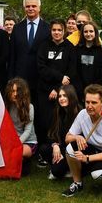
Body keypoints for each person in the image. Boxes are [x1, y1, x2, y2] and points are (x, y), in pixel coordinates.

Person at [8, 0, 50, 141]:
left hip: (41, 80)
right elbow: (12, 56)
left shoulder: (48, 28)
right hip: (20, 80)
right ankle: (20, 141)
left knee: (39, 113)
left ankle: (38, 144)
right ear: (24, 8)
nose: (30, 8)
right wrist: (12, 80)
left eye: (33, 6)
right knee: (21, 113)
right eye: (28, 6)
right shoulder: (17, 28)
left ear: (39, 7)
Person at [36, 18, 76, 165]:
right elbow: (41, 68)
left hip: (61, 92)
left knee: (60, 122)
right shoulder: (44, 46)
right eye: (54, 30)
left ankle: (61, 152)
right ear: (50, 31)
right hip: (44, 91)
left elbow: (71, 71)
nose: (57, 32)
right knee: (45, 122)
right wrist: (57, 79)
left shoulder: (70, 47)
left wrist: (57, 88)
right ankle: (44, 154)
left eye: (59, 30)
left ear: (64, 31)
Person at [39, 85, 81, 179]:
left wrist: (64, 153)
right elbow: (50, 134)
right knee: (43, 148)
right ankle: (61, 165)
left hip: (73, 150)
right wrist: (55, 145)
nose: (62, 99)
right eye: (60, 96)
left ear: (71, 96)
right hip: (60, 148)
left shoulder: (80, 113)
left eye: (65, 96)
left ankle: (68, 168)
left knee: (56, 172)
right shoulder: (57, 112)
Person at [5, 78, 38, 175]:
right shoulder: (8, 106)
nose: (15, 94)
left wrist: (16, 144)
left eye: (17, 91)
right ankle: (20, 161)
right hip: (13, 140)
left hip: (28, 141)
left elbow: (27, 131)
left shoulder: (29, 107)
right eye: (12, 91)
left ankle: (25, 160)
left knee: (15, 155)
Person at [74, 21, 102, 100]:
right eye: (86, 31)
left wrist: (94, 90)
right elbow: (74, 71)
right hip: (79, 92)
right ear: (82, 33)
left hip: (96, 92)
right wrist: (80, 89)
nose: (88, 34)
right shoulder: (76, 50)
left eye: (91, 31)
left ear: (95, 33)